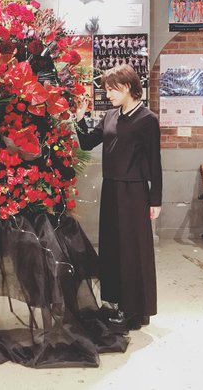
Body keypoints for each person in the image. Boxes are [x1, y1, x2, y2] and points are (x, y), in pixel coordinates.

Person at [75, 64, 162, 330]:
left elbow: (154, 162)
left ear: (127, 87)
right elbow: (87, 143)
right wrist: (79, 119)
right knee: (112, 246)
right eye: (106, 90)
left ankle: (133, 308)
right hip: (111, 189)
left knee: (131, 250)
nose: (108, 94)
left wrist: (155, 199)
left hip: (134, 192)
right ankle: (114, 301)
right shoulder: (111, 116)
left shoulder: (147, 119)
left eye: (112, 89)